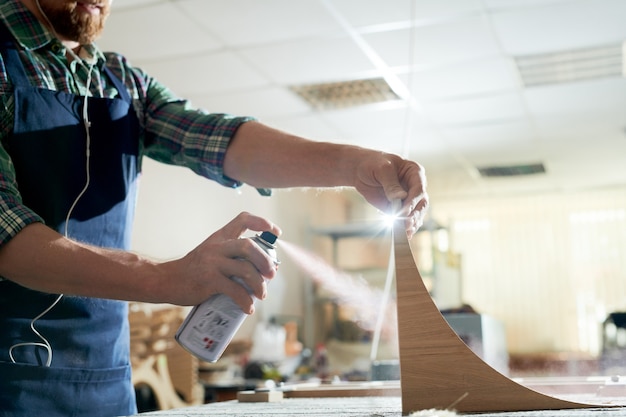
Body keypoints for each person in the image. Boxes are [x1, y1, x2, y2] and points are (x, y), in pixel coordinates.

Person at [0, 0, 429, 416]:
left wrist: (352, 164)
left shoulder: (121, 81)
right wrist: (168, 278)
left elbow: (217, 138)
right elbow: (8, 240)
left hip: (107, 381)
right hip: (11, 383)